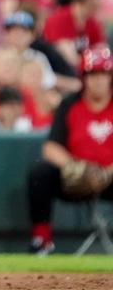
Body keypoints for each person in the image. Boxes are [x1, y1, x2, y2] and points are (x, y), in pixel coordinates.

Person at [28, 47, 113, 255]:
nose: (98, 80)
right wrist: (75, 167)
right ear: (84, 77)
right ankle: (42, 240)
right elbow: (50, 147)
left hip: (111, 177)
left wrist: (109, 171)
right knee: (40, 173)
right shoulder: (70, 104)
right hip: (77, 176)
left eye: (103, 74)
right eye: (92, 74)